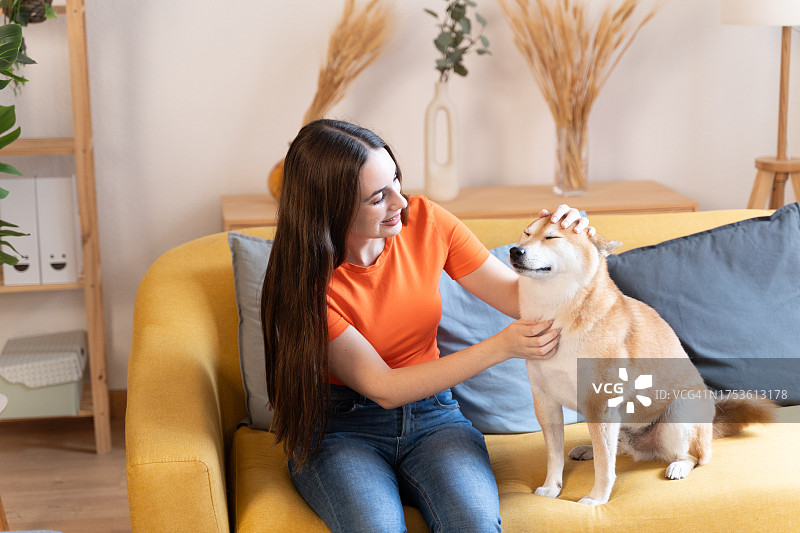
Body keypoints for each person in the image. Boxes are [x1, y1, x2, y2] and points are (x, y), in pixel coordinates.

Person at [261, 119, 593, 533]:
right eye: (378, 197)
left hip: (434, 418)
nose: (400, 201)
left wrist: (568, 243)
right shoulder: (302, 284)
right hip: (342, 429)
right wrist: (502, 346)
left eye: (396, 180)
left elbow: (517, 298)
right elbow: (383, 387)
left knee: (473, 524)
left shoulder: (426, 221)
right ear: (331, 207)